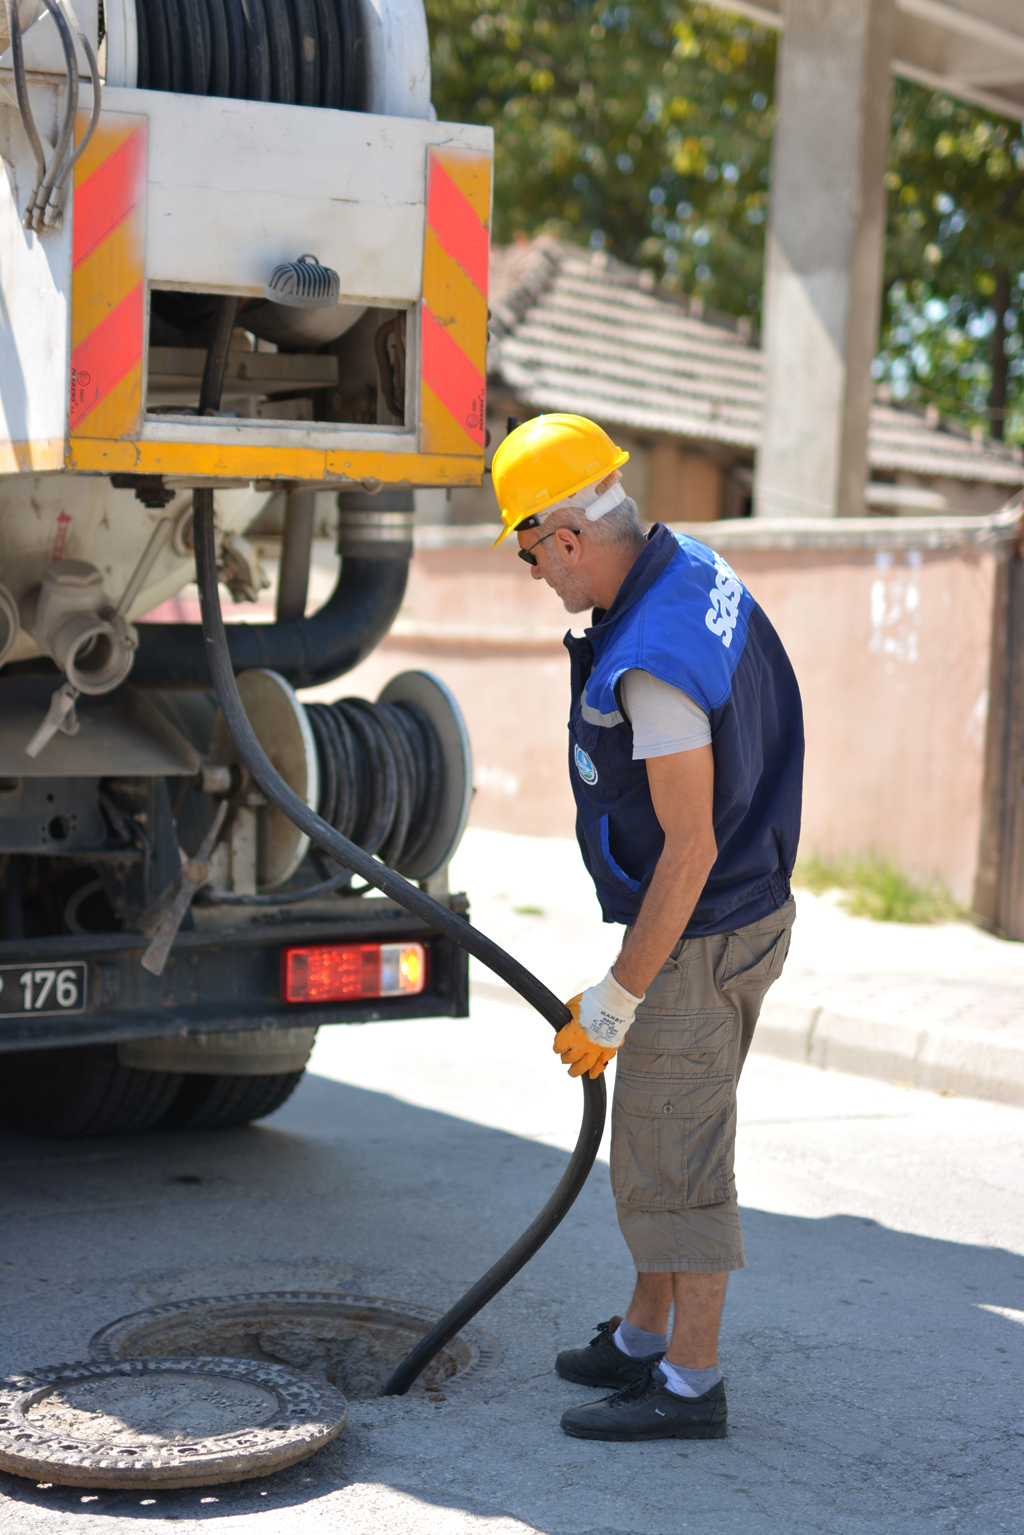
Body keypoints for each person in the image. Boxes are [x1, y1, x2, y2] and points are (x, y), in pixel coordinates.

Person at [490, 413, 804, 1443]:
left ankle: (690, 1382)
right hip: (744, 906)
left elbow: (689, 846)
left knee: (677, 1156)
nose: (535, 574)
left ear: (568, 534)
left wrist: (616, 1000)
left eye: (531, 553)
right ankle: (642, 1334)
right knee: (665, 1136)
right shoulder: (689, 568)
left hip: (705, 924)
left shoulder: (652, 657)